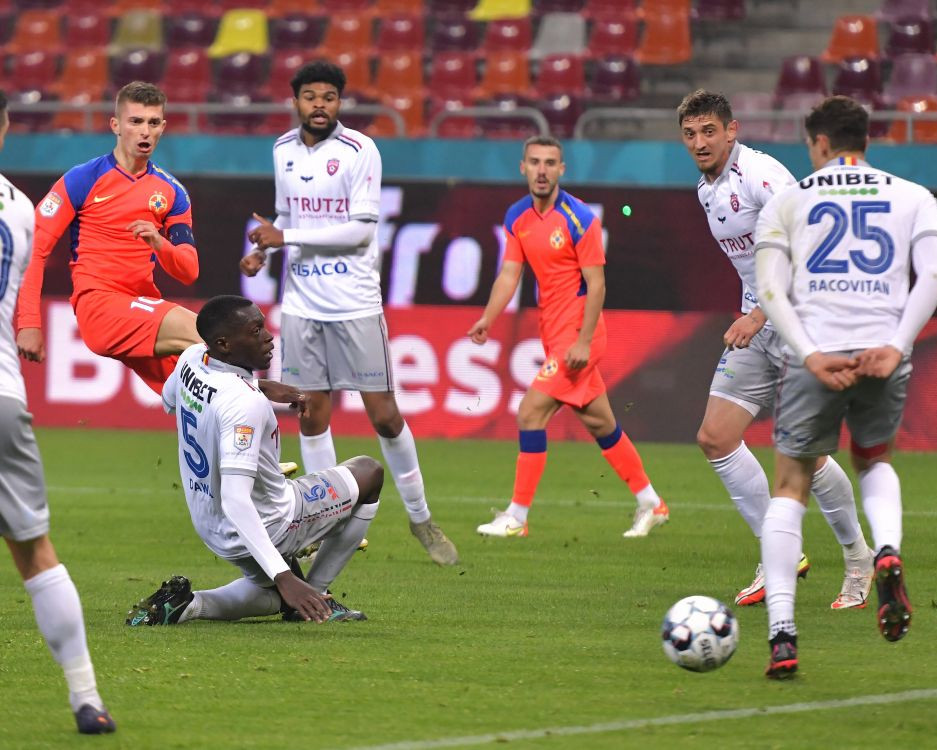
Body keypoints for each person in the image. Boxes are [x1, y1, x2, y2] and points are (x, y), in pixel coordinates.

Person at [754, 95, 937, 677]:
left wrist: (810, 354)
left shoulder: (789, 200)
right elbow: (934, 273)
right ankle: (886, 549)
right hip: (883, 353)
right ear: (866, 140)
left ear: (818, 143)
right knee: (873, 457)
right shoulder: (914, 196)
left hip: (819, 353)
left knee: (790, 484)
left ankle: (783, 634)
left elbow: (771, 290)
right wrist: (899, 343)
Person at [240, 61, 458, 566]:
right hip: (301, 304)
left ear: (340, 102)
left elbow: (361, 231)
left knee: (384, 416)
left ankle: (420, 517)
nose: (320, 105)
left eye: (329, 97)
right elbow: (287, 215)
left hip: (354, 303)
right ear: (296, 101)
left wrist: (284, 236)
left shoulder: (361, 150)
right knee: (310, 413)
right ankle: (327, 522)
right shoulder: (282, 149)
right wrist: (263, 250)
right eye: (310, 96)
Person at [677, 89, 873, 609]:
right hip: (759, 320)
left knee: (806, 452)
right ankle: (778, 552)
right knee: (715, 437)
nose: (700, 142)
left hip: (801, 323)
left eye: (709, 131)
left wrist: (760, 315)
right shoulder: (706, 189)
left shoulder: (763, 176)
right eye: (690, 134)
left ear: (732, 130)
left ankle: (859, 559)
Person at [126, 295, 383, 627]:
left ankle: (191, 604)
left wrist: (258, 385)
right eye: (255, 330)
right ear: (224, 343)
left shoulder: (192, 358)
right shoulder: (245, 404)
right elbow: (236, 499)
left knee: (273, 596)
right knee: (369, 472)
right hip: (268, 523)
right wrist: (284, 577)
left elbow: (169, 399)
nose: (268, 336)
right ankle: (318, 596)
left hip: (210, 523)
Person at [468, 136, 669, 539]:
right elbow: (510, 273)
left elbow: (597, 285)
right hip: (553, 332)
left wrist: (584, 341)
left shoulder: (579, 218)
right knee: (601, 424)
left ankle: (517, 517)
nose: (542, 170)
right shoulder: (517, 216)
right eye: (535, 162)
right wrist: (488, 317)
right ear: (523, 167)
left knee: (530, 414)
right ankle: (651, 503)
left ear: (562, 169)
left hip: (578, 337)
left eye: (550, 163)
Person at [0, 91, 116, 734]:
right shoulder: (20, 209)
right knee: (36, 553)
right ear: (6, 128)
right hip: (4, 397)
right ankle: (86, 697)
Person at [15, 81, 199, 394]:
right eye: (135, 121)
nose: (145, 131)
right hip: (100, 306)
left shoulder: (172, 192)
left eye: (153, 123)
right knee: (208, 334)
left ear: (163, 127)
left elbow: (188, 271)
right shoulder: (83, 179)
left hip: (142, 305)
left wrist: (159, 243)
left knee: (198, 390)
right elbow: (34, 249)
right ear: (115, 125)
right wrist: (28, 322)